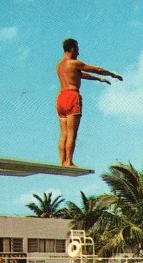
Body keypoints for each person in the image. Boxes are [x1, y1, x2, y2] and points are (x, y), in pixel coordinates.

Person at [56, 38, 122, 167]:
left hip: (61, 98)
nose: (79, 53)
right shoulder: (74, 63)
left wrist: (99, 79)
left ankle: (62, 162)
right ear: (73, 49)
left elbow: (80, 75)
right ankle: (69, 162)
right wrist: (112, 74)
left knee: (63, 134)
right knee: (72, 133)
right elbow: (96, 69)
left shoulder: (60, 65)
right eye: (78, 50)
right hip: (72, 96)